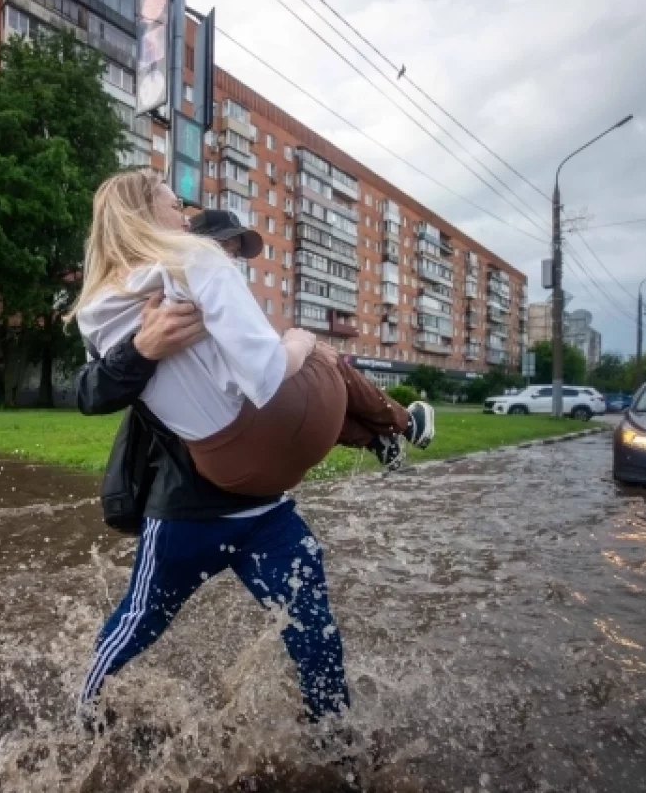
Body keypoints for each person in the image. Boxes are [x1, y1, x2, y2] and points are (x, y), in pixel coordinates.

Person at [68, 176, 423, 724]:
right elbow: (90, 392)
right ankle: (81, 711)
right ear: (146, 214)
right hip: (187, 504)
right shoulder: (162, 285)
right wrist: (143, 348)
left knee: (314, 630)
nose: (186, 215)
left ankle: (339, 745)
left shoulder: (106, 303)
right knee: (138, 621)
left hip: (264, 506)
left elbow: (253, 381)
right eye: (176, 204)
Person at [73, 175, 433, 497]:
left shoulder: (93, 307)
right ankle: (401, 423)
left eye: (235, 253)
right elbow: (266, 373)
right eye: (177, 206)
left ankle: (378, 438)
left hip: (223, 470)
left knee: (306, 382)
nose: (231, 258)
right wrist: (139, 351)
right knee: (316, 353)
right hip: (203, 470)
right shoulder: (193, 264)